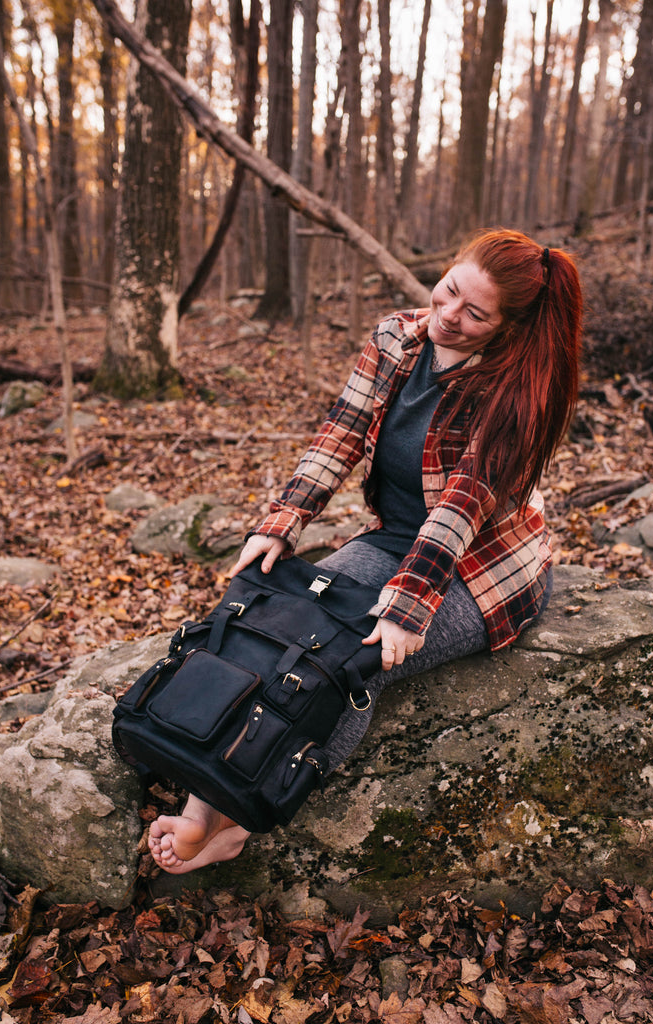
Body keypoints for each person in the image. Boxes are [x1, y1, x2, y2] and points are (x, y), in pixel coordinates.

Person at [148, 227, 583, 873]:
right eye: (448, 291)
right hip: (391, 541)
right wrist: (280, 522)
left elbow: (462, 506)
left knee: (350, 661)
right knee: (273, 627)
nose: (448, 316)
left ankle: (239, 816)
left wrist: (405, 607)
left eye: (474, 314)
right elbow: (340, 433)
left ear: (508, 327)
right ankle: (201, 799)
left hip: (481, 571)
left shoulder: (515, 391)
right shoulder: (394, 337)